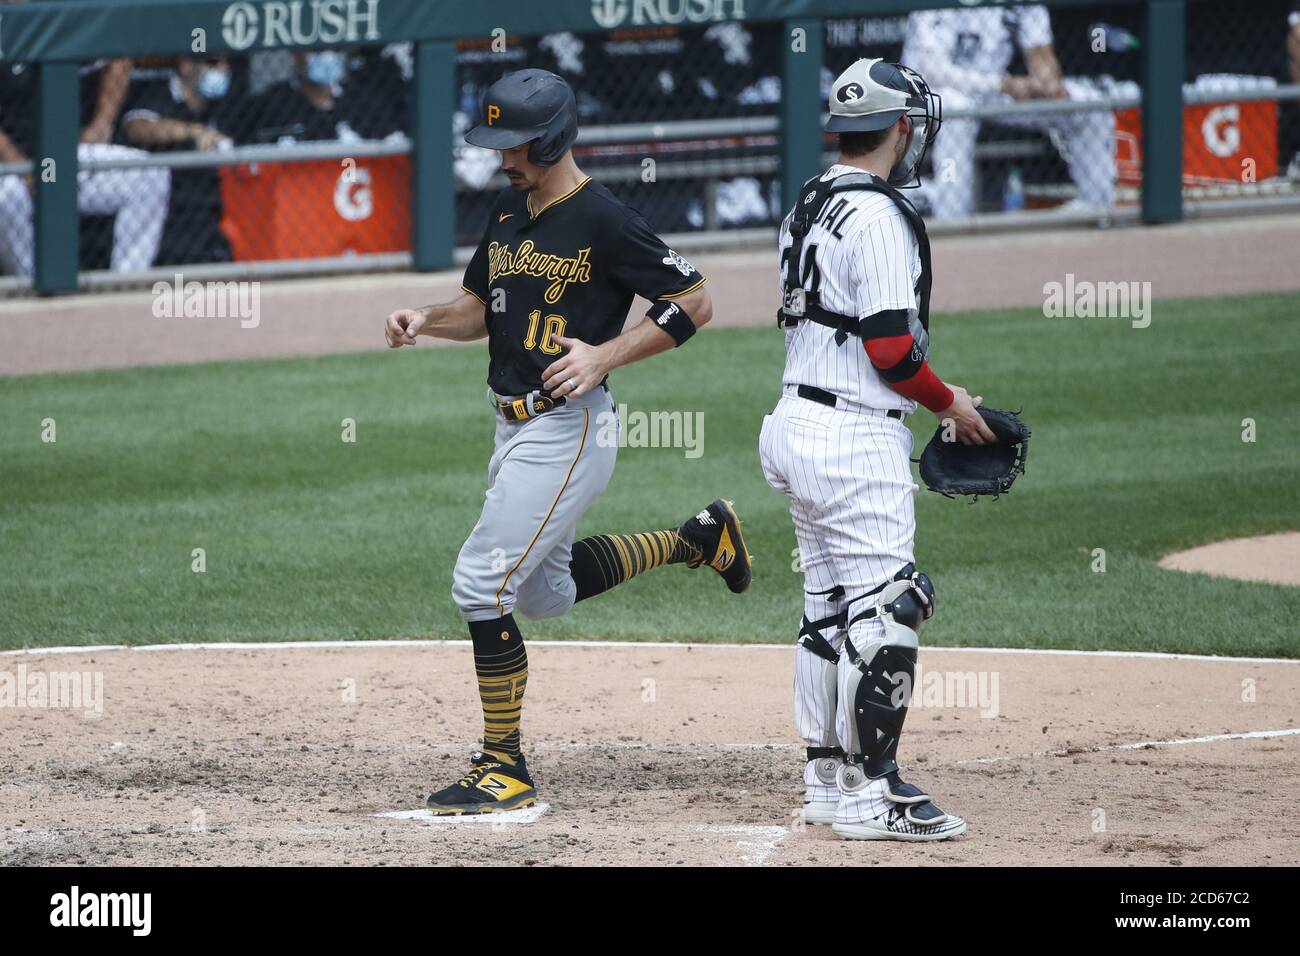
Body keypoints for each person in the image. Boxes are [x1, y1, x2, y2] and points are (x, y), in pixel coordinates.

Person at [382, 69, 751, 815]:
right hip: (511, 428)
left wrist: (603, 355)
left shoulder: (604, 218)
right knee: (544, 593)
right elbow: (478, 310)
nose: (500, 159)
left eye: (510, 145)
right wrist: (424, 319)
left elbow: (696, 300)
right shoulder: (509, 214)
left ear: (549, 139)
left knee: (480, 585)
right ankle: (698, 538)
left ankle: (503, 766)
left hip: (567, 428)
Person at [760, 58, 996, 841]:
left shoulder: (810, 203)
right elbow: (891, 346)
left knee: (827, 611)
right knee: (891, 607)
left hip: (795, 423)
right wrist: (950, 404)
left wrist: (923, 391)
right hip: (852, 439)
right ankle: (875, 792)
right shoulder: (881, 215)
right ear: (901, 127)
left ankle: (828, 777)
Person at [901, 4, 1115, 218]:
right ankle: (952, 217)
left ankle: (1097, 207)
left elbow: (1040, 55)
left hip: (993, 91)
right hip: (926, 92)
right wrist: (1003, 84)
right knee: (960, 109)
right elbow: (935, 71)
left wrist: (1048, 84)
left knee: (1088, 102)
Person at [0, 56, 170, 276]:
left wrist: (101, 124)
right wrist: (21, 167)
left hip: (71, 153)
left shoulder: (65, 24)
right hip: (10, 163)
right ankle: (34, 286)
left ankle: (126, 282)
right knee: (9, 196)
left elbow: (119, 56)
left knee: (149, 174)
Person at [122, 55, 239, 265]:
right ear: (186, 65)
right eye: (212, 63)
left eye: (225, 63)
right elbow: (137, 127)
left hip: (210, 213)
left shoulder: (228, 102)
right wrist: (193, 131)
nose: (222, 69)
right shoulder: (159, 92)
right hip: (166, 211)